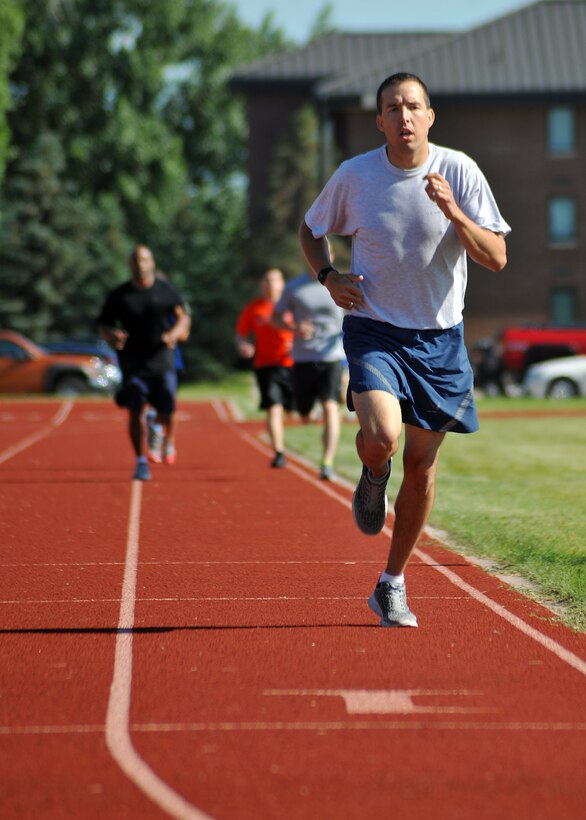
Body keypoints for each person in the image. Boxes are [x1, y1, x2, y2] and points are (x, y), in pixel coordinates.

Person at [299, 72, 510, 627]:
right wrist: (327, 275)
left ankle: (391, 582)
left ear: (430, 116)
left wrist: (455, 212)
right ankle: (372, 473)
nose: (404, 116)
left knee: (419, 471)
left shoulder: (459, 171)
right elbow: (310, 227)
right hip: (375, 329)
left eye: (413, 106)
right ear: (380, 122)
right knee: (383, 438)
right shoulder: (356, 175)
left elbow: (496, 257)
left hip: (441, 339)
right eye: (393, 108)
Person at [98, 244, 191, 481]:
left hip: (162, 360)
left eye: (145, 260)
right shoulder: (119, 296)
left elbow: (183, 318)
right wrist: (112, 336)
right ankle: (140, 460)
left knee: (167, 409)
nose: (140, 265)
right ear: (130, 264)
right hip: (132, 362)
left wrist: (174, 333)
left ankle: (167, 440)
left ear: (152, 263)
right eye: (136, 261)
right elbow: (104, 325)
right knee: (134, 410)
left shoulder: (167, 291)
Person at [272, 249, 345, 481]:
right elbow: (275, 317)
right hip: (303, 357)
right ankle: (308, 412)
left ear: (331, 257)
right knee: (303, 414)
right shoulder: (294, 287)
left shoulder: (341, 282)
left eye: (326, 253)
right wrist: (294, 329)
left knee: (331, 407)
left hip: (332, 356)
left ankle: (327, 463)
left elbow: (358, 309)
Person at [235, 268, 295, 467]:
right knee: (273, 407)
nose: (271, 284)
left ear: (282, 284)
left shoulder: (292, 305)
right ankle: (279, 452)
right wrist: (244, 345)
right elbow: (241, 333)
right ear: (262, 284)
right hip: (266, 364)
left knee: (303, 412)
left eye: (275, 280)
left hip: (293, 364)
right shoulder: (254, 308)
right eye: (267, 280)